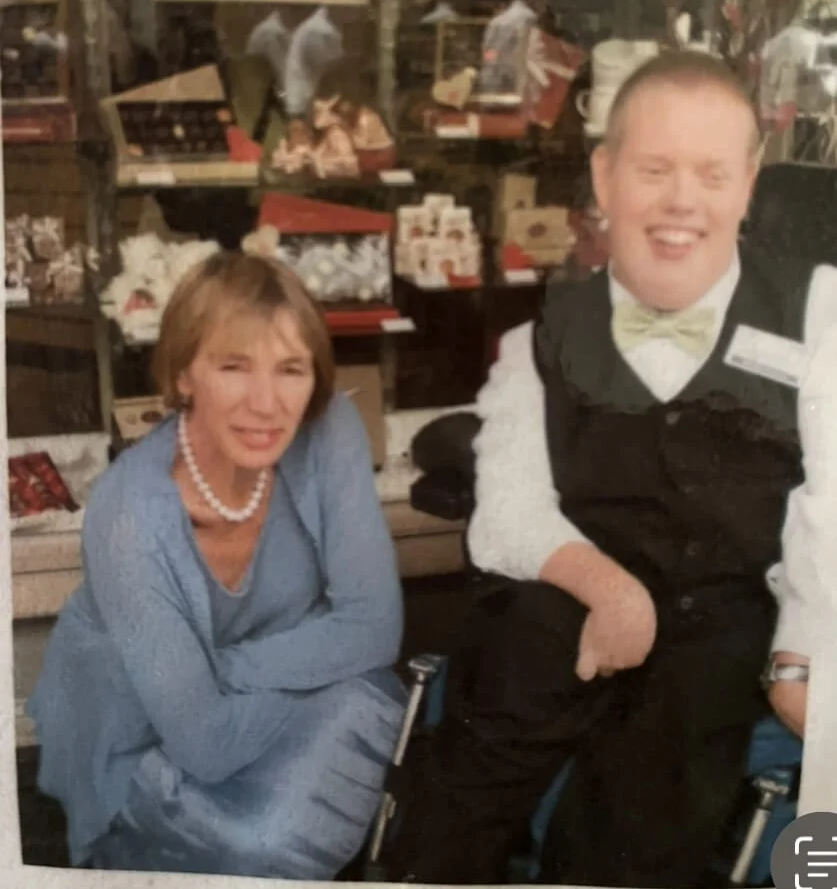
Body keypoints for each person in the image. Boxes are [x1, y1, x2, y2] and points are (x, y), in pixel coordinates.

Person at [387, 51, 837, 887]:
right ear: (604, 176)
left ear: (747, 183)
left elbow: (832, 504)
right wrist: (610, 590)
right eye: (653, 168)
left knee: (636, 836)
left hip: (720, 629)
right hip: (567, 600)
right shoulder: (543, 332)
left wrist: (800, 659)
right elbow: (510, 510)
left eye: (709, 173)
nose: (679, 201)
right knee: (457, 808)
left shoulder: (818, 308)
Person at [28, 251, 406, 877]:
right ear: (183, 375)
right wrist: (326, 665)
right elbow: (203, 743)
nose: (267, 403)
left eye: (291, 369)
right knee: (258, 843)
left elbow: (373, 627)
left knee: (281, 829)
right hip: (136, 724)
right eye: (234, 366)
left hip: (241, 692)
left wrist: (226, 670)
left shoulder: (330, 426)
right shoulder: (128, 512)